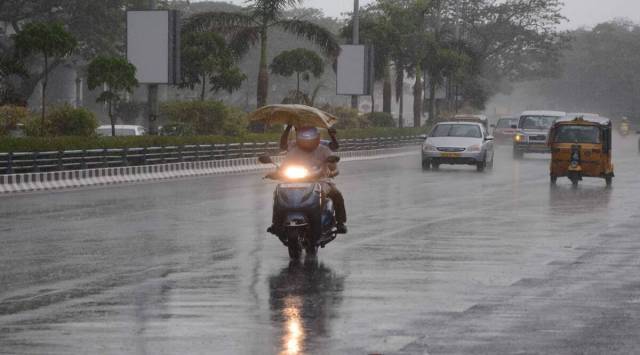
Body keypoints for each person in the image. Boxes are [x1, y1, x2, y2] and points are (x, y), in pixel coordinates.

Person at [273, 126, 347, 234]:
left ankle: (340, 222)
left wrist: (332, 173)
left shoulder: (324, 149)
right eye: (303, 137)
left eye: (310, 137)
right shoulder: (293, 149)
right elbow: (283, 165)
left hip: (321, 180)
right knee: (278, 193)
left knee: (337, 194)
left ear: (317, 137)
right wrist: (276, 173)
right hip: (295, 181)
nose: (307, 140)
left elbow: (335, 166)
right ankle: (276, 223)